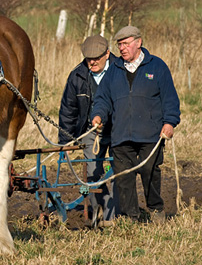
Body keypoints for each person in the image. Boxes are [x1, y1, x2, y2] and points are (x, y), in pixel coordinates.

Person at [92, 25, 180, 223]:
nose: (122, 48)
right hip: (121, 134)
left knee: (150, 171)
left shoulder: (157, 67)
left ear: (138, 42)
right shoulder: (113, 71)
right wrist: (98, 116)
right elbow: (102, 99)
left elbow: (170, 99)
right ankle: (131, 217)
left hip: (150, 134)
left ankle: (156, 210)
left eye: (126, 43)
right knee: (123, 177)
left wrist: (170, 122)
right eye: (119, 44)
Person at [58, 34, 118, 227]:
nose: (92, 62)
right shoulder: (77, 76)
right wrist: (65, 141)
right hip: (90, 132)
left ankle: (115, 216)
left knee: (120, 173)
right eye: (88, 58)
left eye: (97, 58)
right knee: (92, 172)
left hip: (118, 130)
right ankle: (98, 214)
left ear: (107, 53)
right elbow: (68, 111)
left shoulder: (122, 70)